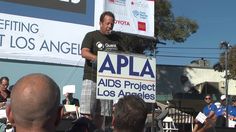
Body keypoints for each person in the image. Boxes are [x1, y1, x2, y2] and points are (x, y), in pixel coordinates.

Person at [80, 11, 126, 128]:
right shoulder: (91, 35)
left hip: (107, 82)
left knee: (101, 114)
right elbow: (84, 52)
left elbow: (124, 57)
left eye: (112, 24)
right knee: (87, 113)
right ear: (101, 23)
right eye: (107, 23)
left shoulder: (117, 40)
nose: (110, 26)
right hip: (91, 78)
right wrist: (101, 60)